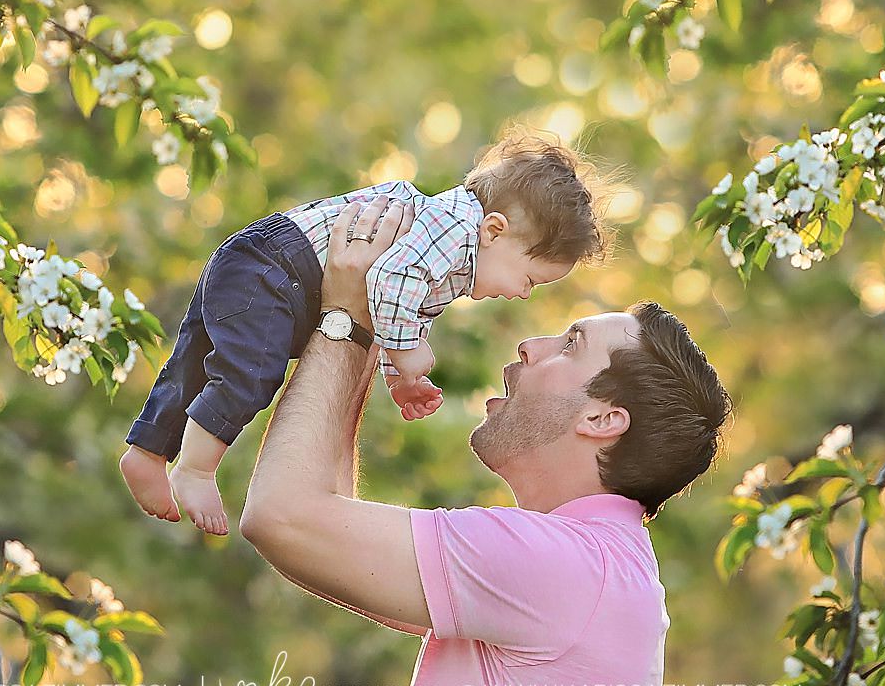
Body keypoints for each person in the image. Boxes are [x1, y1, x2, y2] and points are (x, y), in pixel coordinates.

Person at [241, 196, 732, 686]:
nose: (531, 346)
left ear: (603, 419)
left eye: (569, 345)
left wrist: (348, 318)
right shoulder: (584, 567)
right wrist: (373, 318)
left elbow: (284, 518)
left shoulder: (561, 567)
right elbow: (324, 527)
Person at [121, 130, 609, 535]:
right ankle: (196, 468)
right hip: (276, 270)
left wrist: (402, 377)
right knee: (249, 373)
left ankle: (147, 451)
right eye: (530, 279)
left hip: (261, 264)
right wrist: (409, 348)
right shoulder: (452, 229)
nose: (524, 295)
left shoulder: (455, 264)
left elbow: (386, 311)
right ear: (495, 231)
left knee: (195, 357)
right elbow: (388, 282)